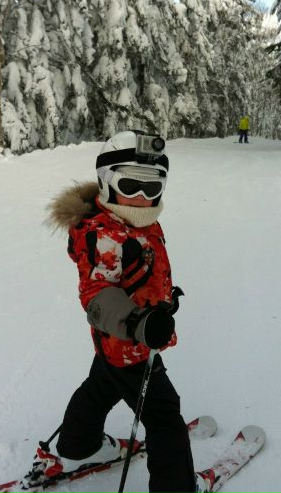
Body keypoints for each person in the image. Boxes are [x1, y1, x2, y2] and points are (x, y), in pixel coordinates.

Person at [25, 130, 197, 493]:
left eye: (152, 187)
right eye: (130, 185)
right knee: (164, 415)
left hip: (115, 341)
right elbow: (97, 293)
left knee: (101, 385)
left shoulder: (133, 219)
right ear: (106, 182)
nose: (142, 196)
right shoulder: (105, 234)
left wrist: (157, 300)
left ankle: (79, 445)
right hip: (130, 340)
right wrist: (138, 321)